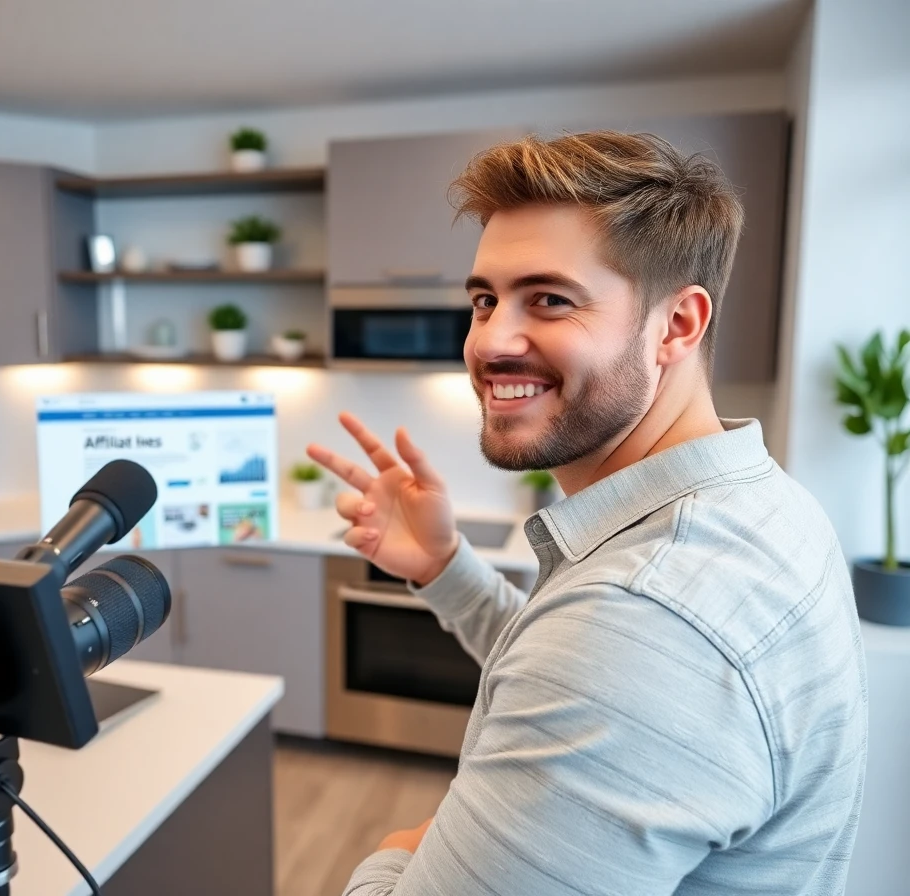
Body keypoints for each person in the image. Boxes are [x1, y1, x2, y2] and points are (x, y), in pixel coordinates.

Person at [306, 131, 867, 895]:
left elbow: (612, 659)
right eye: (484, 300)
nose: (488, 341)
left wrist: (398, 850)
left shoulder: (647, 617)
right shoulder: (764, 503)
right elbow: (567, 667)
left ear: (678, 325)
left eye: (550, 300)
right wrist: (445, 568)